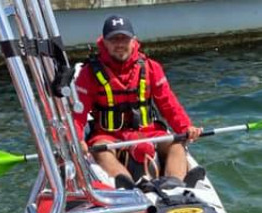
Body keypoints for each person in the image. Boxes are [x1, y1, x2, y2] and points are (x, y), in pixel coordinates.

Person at [73, 15, 203, 189]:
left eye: (124, 38)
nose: (120, 44)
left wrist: (185, 127)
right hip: (109, 136)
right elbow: (77, 114)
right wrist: (76, 139)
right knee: (102, 152)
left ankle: (175, 187)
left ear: (134, 41)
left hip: (148, 131)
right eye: (114, 39)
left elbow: (168, 103)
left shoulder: (151, 67)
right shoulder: (88, 73)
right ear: (104, 42)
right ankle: (128, 188)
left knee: (176, 143)